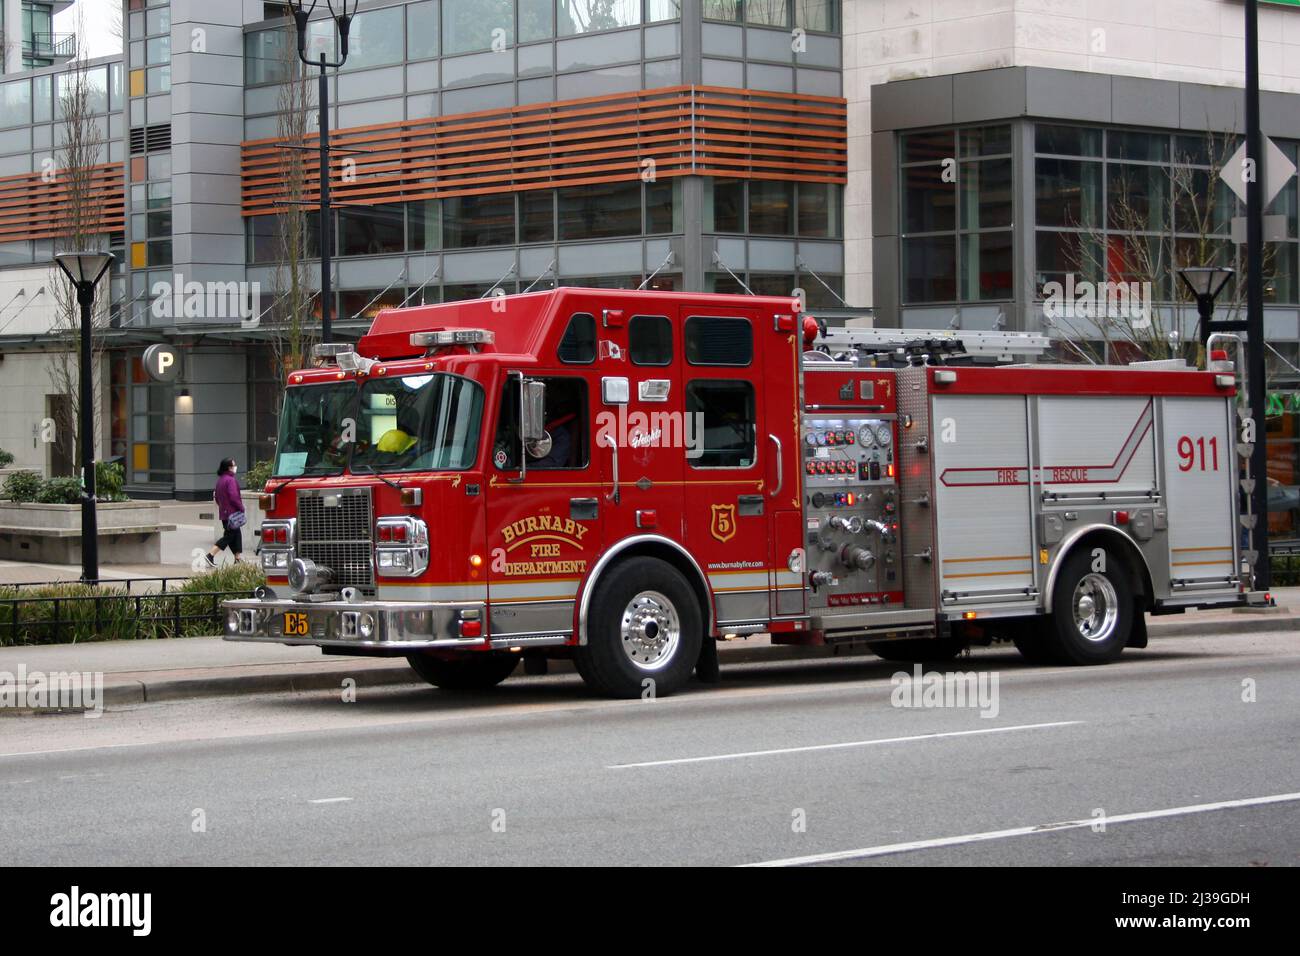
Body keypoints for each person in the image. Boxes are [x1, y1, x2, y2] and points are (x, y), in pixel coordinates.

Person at [206, 458, 245, 567]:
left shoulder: (220, 480)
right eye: (234, 465)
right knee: (229, 536)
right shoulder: (230, 480)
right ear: (229, 467)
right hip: (233, 513)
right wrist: (241, 507)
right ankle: (210, 554)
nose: (235, 466)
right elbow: (234, 497)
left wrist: (223, 507)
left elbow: (217, 498)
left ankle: (237, 558)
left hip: (225, 513)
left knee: (236, 534)